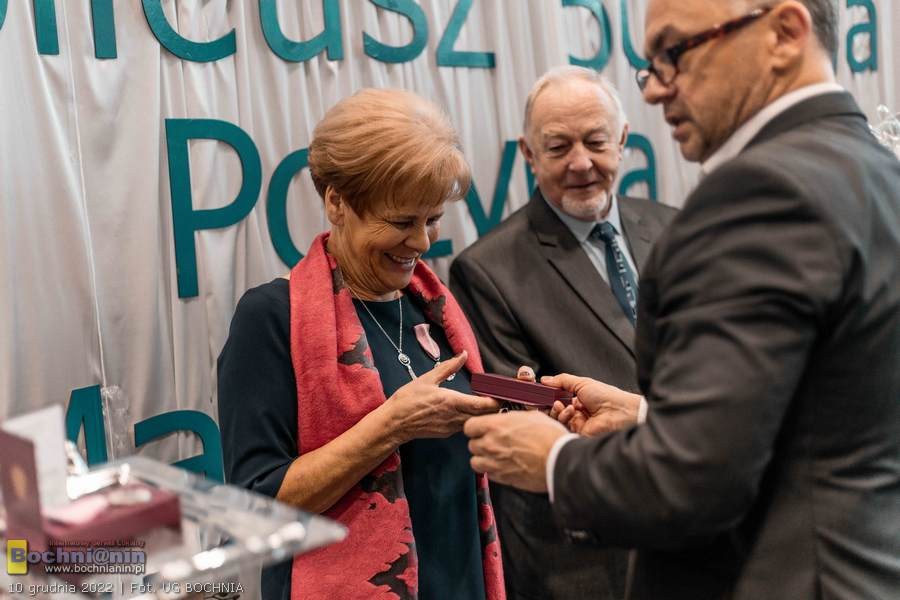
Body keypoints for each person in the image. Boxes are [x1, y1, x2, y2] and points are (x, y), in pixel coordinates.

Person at [464, 1, 900, 599]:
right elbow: (817, 415)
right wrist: (647, 416)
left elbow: (694, 480)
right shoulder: (871, 163)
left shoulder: (757, 191)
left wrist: (555, 461)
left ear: (784, 32)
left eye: (676, 52)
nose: (654, 89)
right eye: (652, 64)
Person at [218, 89, 506, 600]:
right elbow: (256, 505)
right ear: (336, 202)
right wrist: (392, 425)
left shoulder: (434, 306)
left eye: (432, 219)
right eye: (401, 222)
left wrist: (513, 412)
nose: (422, 242)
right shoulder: (271, 317)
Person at [449, 66, 676, 600]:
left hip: (704, 522)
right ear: (528, 154)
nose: (580, 163)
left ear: (623, 140)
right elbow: (528, 420)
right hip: (592, 552)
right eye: (558, 147)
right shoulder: (487, 271)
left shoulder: (676, 227)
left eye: (596, 142)